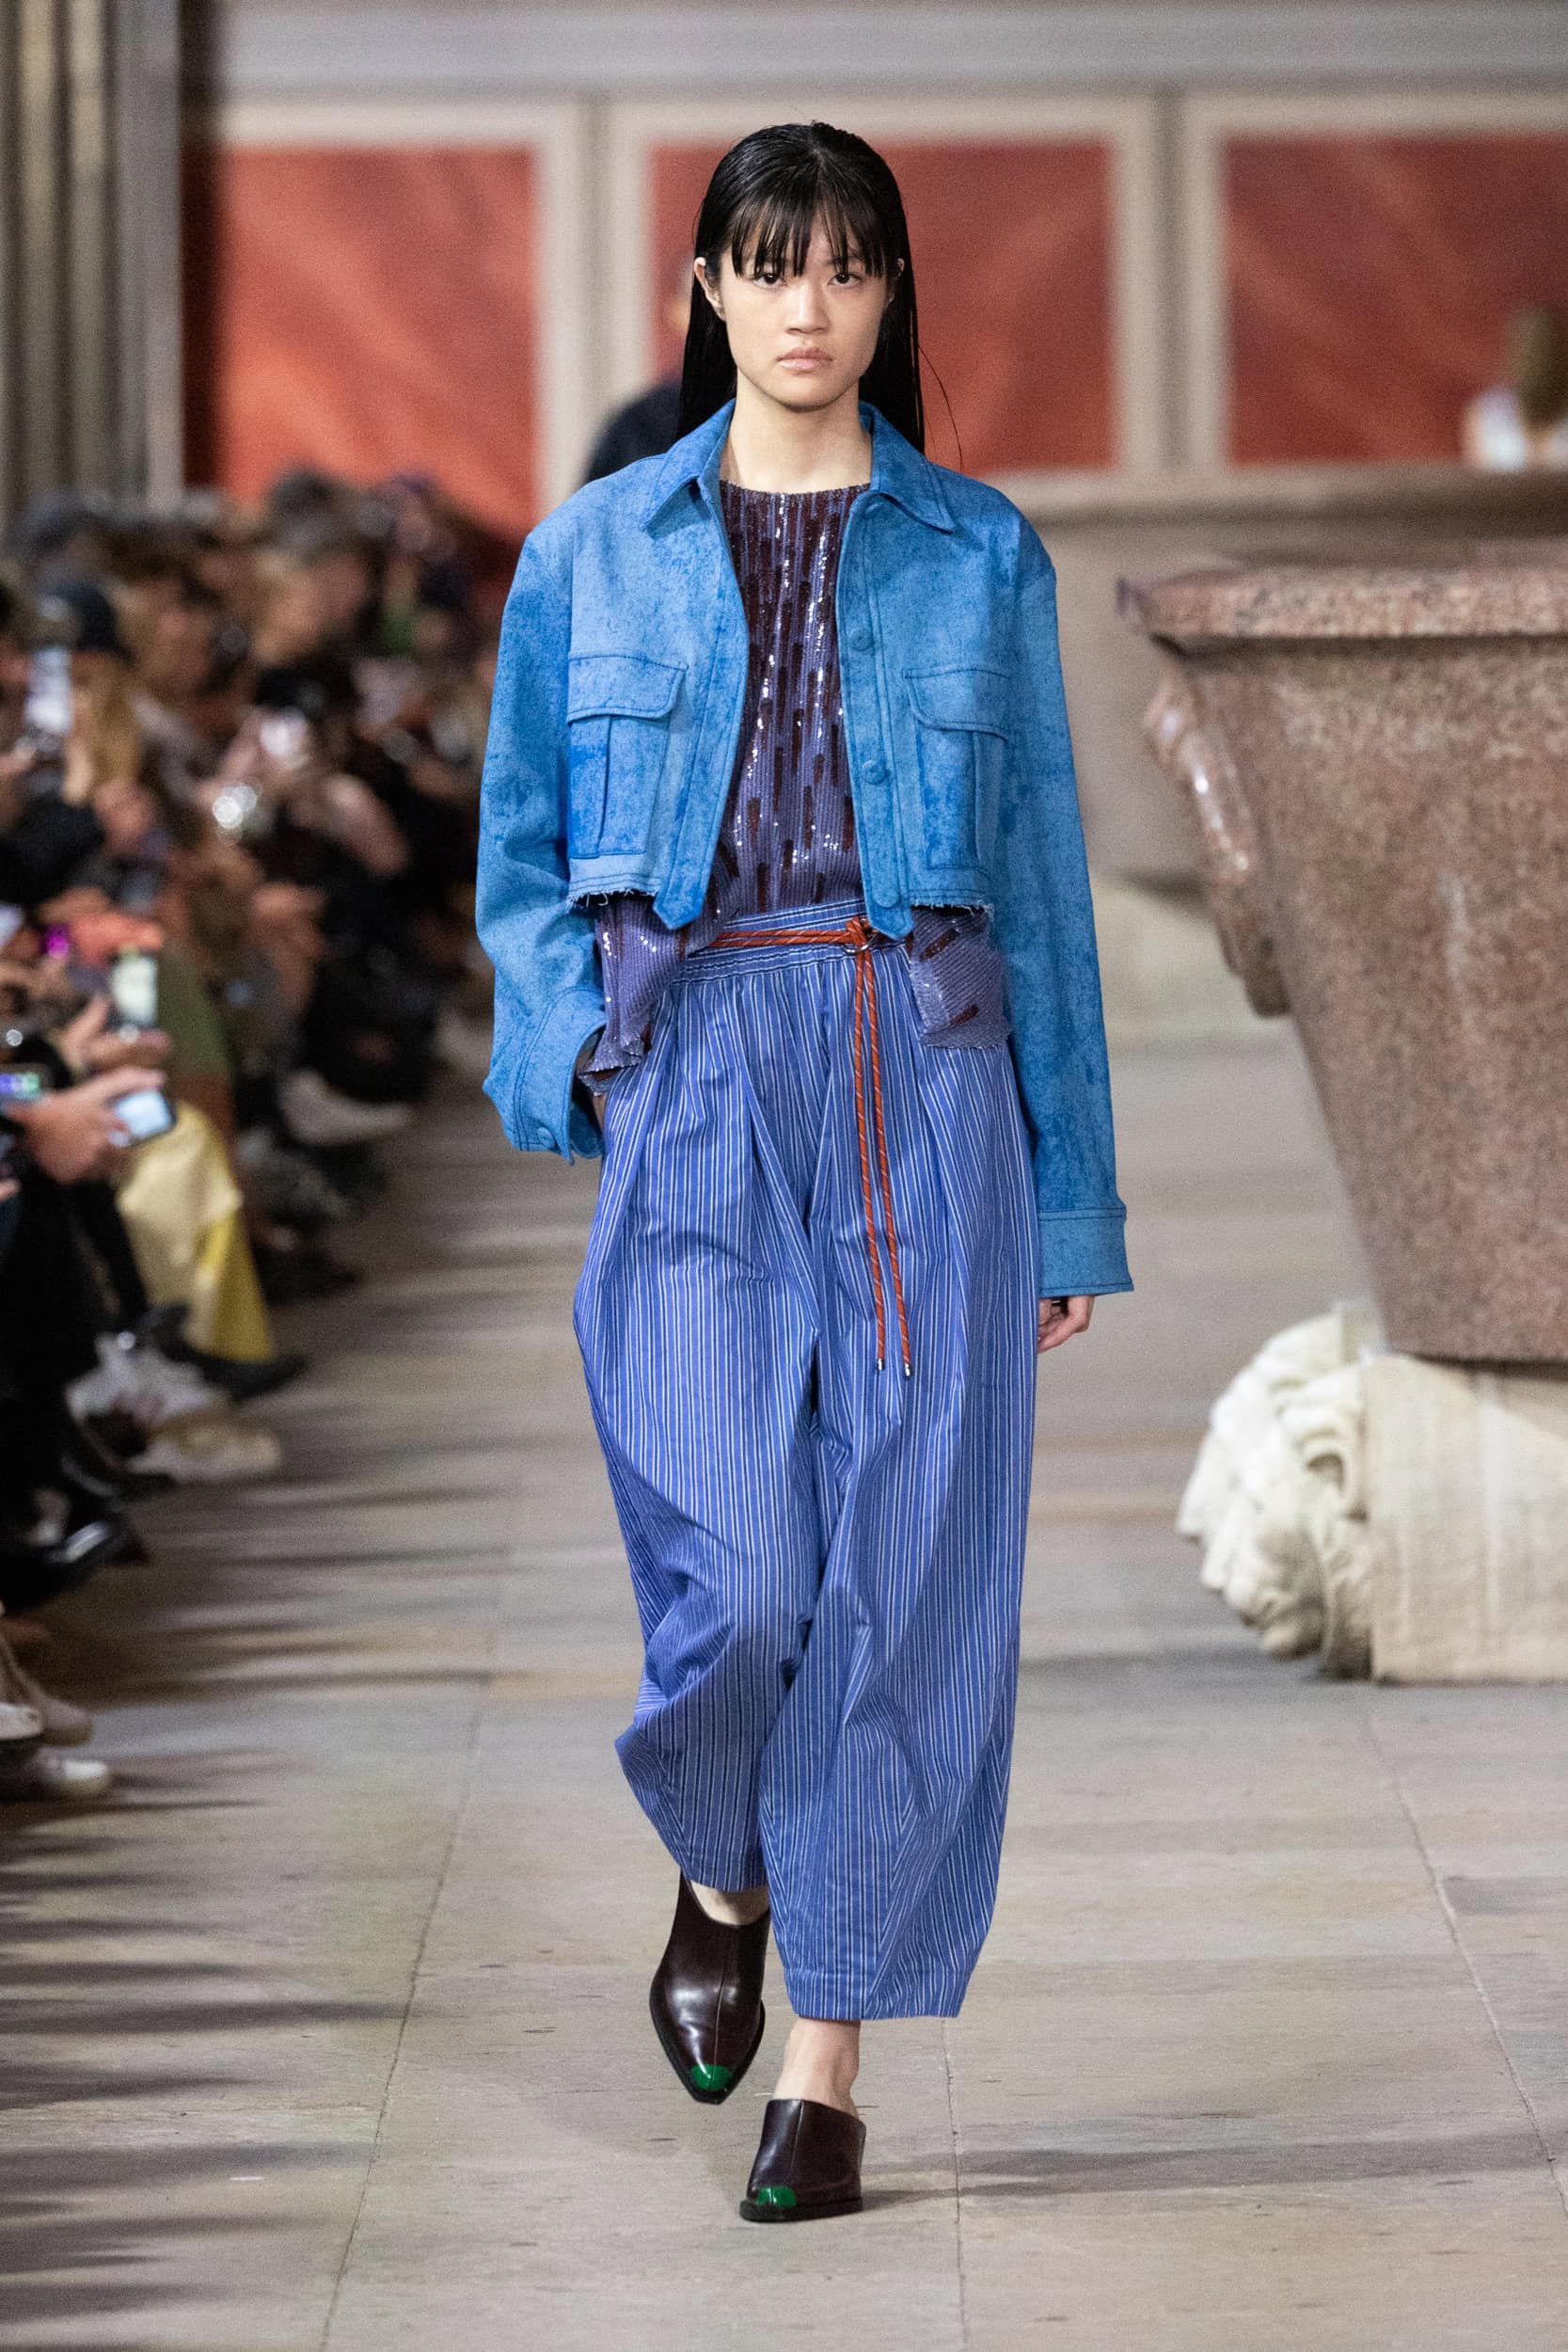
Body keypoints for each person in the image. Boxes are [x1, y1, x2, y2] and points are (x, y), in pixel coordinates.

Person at [475, 119, 1131, 2224]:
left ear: (891, 292)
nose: (810, 306)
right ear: (708, 287)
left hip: (927, 1077)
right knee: (740, 1571)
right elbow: (516, 862)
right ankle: (724, 1864)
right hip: (695, 1075)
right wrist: (586, 1053)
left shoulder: (980, 554)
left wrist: (1072, 1191)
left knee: (910, 1579)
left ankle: (828, 2068)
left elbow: (1042, 887)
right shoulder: (589, 553)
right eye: (771, 266)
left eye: (848, 266)